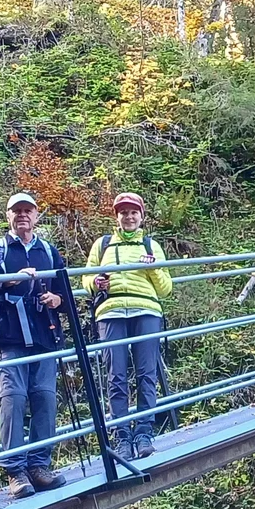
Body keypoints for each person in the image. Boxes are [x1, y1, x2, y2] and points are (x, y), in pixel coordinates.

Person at [0, 192, 69, 498]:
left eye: (27, 210)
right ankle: (15, 471)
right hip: (10, 335)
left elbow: (65, 292)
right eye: (16, 211)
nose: (22, 216)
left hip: (43, 333)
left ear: (37, 215)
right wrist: (16, 279)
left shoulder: (48, 250)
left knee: (45, 398)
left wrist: (56, 299)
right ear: (7, 216)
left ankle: (40, 466)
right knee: (13, 400)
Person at [81, 192, 173, 462]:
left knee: (146, 372)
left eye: (134, 212)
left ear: (141, 216)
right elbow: (85, 280)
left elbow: (166, 288)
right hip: (110, 312)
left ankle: (144, 433)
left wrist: (153, 268)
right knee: (116, 376)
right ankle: (122, 436)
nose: (129, 217)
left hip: (146, 309)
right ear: (117, 217)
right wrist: (96, 283)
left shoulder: (150, 245)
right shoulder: (103, 244)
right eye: (124, 212)